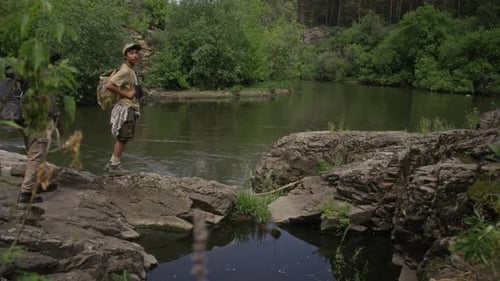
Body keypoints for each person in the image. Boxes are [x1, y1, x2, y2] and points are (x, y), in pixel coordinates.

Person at [104, 43, 142, 175]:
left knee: (124, 137)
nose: (135, 55)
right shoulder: (125, 70)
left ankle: (112, 163)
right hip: (125, 107)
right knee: (123, 137)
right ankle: (114, 166)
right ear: (125, 56)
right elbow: (109, 85)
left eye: (136, 53)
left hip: (130, 107)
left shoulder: (130, 70)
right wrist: (126, 94)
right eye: (131, 53)